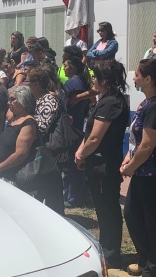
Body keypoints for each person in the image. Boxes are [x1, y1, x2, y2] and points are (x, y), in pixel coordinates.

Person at [75, 60, 130, 268]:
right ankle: (106, 248)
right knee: (102, 208)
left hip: (104, 166)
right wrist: (82, 152)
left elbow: (96, 138)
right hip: (96, 163)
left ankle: (111, 254)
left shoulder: (112, 102)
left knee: (108, 211)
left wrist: (81, 154)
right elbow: (89, 132)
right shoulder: (104, 100)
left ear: (104, 81)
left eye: (95, 77)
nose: (93, 81)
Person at [121, 59, 156, 277]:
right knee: (133, 214)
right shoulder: (146, 103)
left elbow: (148, 144)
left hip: (153, 174)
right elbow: (136, 140)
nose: (134, 78)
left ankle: (155, 268)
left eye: (137, 75)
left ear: (149, 79)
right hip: (142, 172)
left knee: (155, 222)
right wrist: (127, 159)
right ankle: (145, 259)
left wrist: (130, 167)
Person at [0, 85, 63, 214]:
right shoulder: (14, 119)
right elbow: (3, 143)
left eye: (12, 99)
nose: (9, 102)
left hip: (17, 179)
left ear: (23, 101)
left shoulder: (28, 123)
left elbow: (21, 154)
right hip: (4, 174)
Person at [63, 56, 90, 208]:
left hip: (72, 126)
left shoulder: (71, 83)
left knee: (72, 163)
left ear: (72, 67)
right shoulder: (82, 81)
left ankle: (73, 197)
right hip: (79, 124)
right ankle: (75, 195)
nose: (64, 67)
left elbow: (64, 101)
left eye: (66, 65)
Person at [27, 68, 60, 142]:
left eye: (27, 81)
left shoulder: (49, 101)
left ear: (36, 84)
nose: (25, 84)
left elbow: (41, 129)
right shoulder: (34, 99)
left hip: (46, 146)